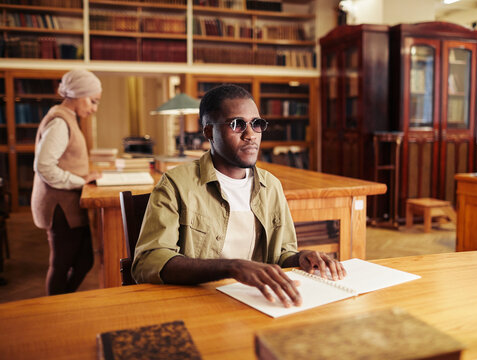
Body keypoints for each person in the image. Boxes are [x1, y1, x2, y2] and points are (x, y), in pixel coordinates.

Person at [133, 84, 346, 307]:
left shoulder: (271, 186)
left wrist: (301, 257)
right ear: (208, 131)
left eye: (256, 124)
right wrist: (232, 267)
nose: (250, 134)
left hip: (258, 303)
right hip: (197, 303)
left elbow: (281, 256)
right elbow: (148, 262)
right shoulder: (176, 184)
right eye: (236, 124)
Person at [31, 69, 102, 295]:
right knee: (61, 264)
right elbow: (44, 167)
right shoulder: (60, 122)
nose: (94, 108)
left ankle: (63, 301)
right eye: (92, 101)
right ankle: (56, 310)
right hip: (59, 207)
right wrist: (79, 181)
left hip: (67, 204)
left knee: (84, 261)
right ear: (79, 95)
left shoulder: (68, 117)